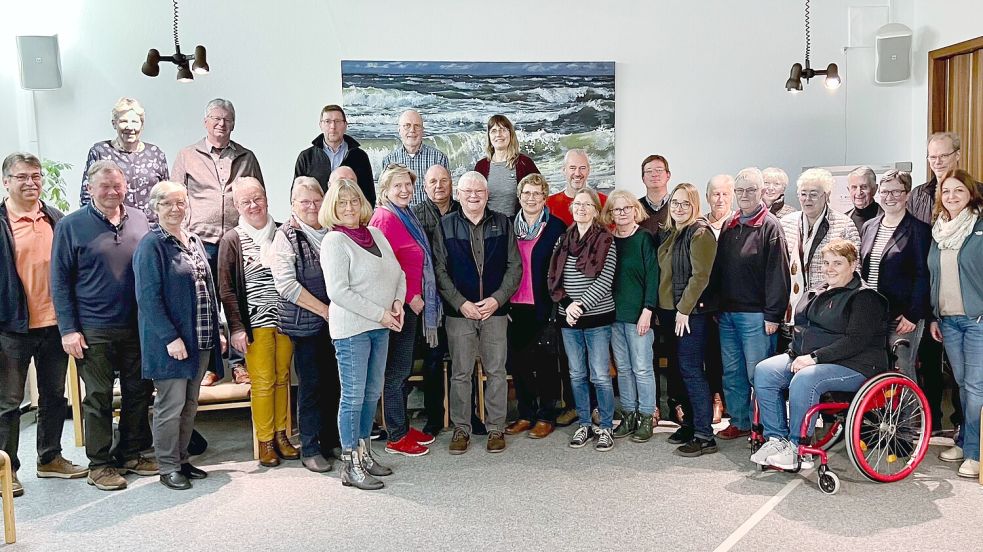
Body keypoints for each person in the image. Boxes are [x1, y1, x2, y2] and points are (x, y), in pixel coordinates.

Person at [50, 160, 155, 491]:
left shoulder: (139, 219)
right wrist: (68, 329)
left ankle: (132, 453)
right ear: (90, 189)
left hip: (136, 325)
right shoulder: (71, 225)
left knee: (139, 392)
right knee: (97, 397)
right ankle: (100, 464)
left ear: (125, 186)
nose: (112, 191)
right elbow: (59, 281)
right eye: (104, 186)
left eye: (117, 185)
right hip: (93, 328)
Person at [752, 239, 890, 469]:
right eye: (826, 263)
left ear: (853, 264)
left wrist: (813, 358)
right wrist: (794, 354)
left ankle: (799, 447)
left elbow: (855, 342)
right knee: (765, 371)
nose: (830, 269)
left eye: (837, 263)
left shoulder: (865, 298)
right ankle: (776, 440)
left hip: (857, 366)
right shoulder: (815, 294)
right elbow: (801, 332)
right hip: (813, 360)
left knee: (807, 379)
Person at [0, 153, 86, 498]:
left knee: (53, 396)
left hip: (54, 325)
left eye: (35, 176)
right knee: (8, 403)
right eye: (22, 177)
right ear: (7, 181)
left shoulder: (55, 218)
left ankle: (49, 458)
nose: (31, 182)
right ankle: (6, 469)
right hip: (12, 326)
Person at [133, 182, 223, 490]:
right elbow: (148, 298)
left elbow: (206, 290)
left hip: (200, 339)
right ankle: (168, 466)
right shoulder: (151, 245)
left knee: (189, 404)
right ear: (155, 208)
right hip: (171, 344)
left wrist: (217, 329)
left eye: (180, 203)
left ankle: (183, 459)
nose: (175, 209)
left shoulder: (194, 240)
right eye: (167, 204)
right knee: (170, 406)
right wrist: (170, 338)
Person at [320, 178, 406, 490]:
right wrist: (382, 313)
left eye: (354, 201)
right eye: (342, 203)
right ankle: (349, 465)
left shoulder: (376, 234)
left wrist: (397, 303)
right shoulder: (334, 242)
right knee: (353, 396)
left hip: (380, 327)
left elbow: (399, 273)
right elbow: (338, 292)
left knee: (372, 394)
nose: (349, 208)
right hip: (352, 330)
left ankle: (365, 453)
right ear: (333, 207)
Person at [172, 98, 263, 386]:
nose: (221, 123)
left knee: (239, 302)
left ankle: (239, 364)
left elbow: (259, 195)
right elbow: (177, 196)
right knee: (207, 305)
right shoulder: (187, 155)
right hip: (201, 242)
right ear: (205, 122)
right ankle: (212, 366)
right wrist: (182, 236)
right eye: (215, 118)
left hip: (237, 241)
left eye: (226, 119)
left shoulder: (246, 156)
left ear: (233, 123)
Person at [433, 172, 521, 455]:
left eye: (479, 191)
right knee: (460, 373)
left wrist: (497, 300)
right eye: (467, 191)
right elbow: (439, 271)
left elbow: (514, 267)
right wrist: (461, 303)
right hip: (460, 314)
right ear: (458, 194)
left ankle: (496, 428)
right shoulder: (444, 226)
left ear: (487, 195)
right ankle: (461, 428)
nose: (473, 196)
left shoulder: (503, 223)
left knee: (496, 371)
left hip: (495, 313)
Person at [218, 177, 297, 467]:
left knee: (282, 378)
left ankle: (282, 435)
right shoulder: (232, 239)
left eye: (258, 198)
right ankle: (265, 441)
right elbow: (226, 289)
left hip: (286, 321)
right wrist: (236, 327)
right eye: (246, 201)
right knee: (263, 382)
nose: (254, 205)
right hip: (255, 325)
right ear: (237, 206)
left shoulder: (282, 232)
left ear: (266, 198)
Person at [369, 165, 442, 457]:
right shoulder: (384, 218)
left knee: (402, 370)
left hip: (410, 305)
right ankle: (396, 436)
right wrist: (411, 296)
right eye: (397, 185)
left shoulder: (405, 214)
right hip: (399, 305)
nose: (404, 190)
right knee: (396, 372)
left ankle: (402, 426)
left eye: (408, 185)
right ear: (385, 190)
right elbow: (385, 268)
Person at [712, 167, 790, 440]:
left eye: (751, 190)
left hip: (757, 317)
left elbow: (778, 275)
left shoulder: (770, 226)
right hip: (728, 315)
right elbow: (719, 269)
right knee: (732, 374)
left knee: (760, 376)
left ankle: (769, 430)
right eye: (740, 190)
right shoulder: (730, 223)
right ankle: (742, 422)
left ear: (761, 193)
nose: (745, 195)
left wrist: (773, 316)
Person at [270, 177, 341, 473]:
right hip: (308, 323)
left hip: (336, 323)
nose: (311, 207)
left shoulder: (333, 230)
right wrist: (324, 310)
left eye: (316, 200)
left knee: (334, 383)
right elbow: (286, 285)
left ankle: (330, 440)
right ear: (293, 206)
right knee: (311, 385)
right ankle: (310, 447)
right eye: (304, 202)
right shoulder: (285, 236)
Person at [910, 132, 973, 438]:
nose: (937, 162)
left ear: (957, 155)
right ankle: (932, 423)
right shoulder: (918, 195)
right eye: (932, 157)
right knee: (930, 366)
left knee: (968, 377)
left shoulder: (975, 195)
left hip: (968, 302)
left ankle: (964, 426)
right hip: (931, 296)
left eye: (943, 156)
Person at [548, 188, 618, 451]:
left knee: (600, 375)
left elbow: (605, 281)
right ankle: (585, 424)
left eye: (587, 204)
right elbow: (553, 277)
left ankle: (606, 427)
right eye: (577, 204)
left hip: (597, 318)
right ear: (571, 208)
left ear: (596, 210)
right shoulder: (563, 239)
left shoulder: (605, 240)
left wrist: (581, 304)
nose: (581, 208)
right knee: (576, 374)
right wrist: (567, 305)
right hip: (570, 319)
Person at [927, 169, 983, 479]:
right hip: (948, 321)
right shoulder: (939, 231)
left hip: (977, 320)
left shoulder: (979, 226)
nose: (951, 196)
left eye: (958, 190)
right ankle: (964, 441)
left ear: (970, 193)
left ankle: (975, 452)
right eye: (946, 191)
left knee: (975, 388)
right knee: (963, 386)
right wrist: (936, 315)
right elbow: (936, 277)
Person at [656, 183, 719, 456]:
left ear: (695, 205)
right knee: (681, 372)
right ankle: (692, 423)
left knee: (693, 372)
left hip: (690, 314)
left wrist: (684, 310)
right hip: (671, 313)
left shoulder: (701, 233)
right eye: (675, 203)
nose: (679, 208)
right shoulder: (673, 233)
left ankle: (705, 435)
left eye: (685, 203)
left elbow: (700, 276)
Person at [504, 174, 566, 439]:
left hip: (544, 304)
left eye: (536, 194)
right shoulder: (508, 226)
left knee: (545, 364)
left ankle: (546, 415)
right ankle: (525, 414)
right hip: (514, 305)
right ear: (519, 197)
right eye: (526, 193)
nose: (531, 198)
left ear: (544, 197)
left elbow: (563, 269)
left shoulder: (556, 227)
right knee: (519, 363)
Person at [859, 170, 931, 380]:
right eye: (885, 191)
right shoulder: (869, 226)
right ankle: (883, 414)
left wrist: (913, 314)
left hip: (902, 316)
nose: (889, 197)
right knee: (873, 368)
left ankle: (911, 413)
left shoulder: (919, 230)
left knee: (902, 369)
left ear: (907, 195)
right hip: (871, 313)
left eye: (896, 192)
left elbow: (923, 275)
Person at [600, 190, 658, 443]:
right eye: (616, 209)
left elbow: (653, 277)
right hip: (613, 315)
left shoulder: (644, 238)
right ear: (610, 213)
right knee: (623, 369)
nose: (621, 213)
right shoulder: (607, 239)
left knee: (642, 368)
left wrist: (648, 310)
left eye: (626, 208)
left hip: (639, 316)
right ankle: (629, 415)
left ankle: (646, 416)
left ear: (635, 210)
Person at [413, 164, 461, 435]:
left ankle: (465, 416)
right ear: (425, 186)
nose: (439, 186)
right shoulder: (416, 215)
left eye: (444, 180)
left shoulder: (462, 210)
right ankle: (434, 417)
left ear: (451, 183)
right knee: (432, 360)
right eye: (433, 181)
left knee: (460, 360)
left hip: (458, 297)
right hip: (430, 303)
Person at [780, 168, 860, 320]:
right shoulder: (786, 224)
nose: (807, 199)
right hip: (789, 309)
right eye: (803, 194)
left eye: (814, 194)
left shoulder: (844, 225)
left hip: (828, 310)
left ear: (827, 195)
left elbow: (856, 270)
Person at [80, 97, 169, 221]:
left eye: (134, 122)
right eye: (123, 121)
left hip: (151, 229)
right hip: (111, 228)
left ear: (142, 125)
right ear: (114, 124)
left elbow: (165, 195)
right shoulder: (100, 151)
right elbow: (86, 195)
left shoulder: (156, 154)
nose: (129, 127)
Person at [294, 104, 375, 202]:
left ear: (345, 125)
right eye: (327, 121)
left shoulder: (360, 157)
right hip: (318, 215)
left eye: (337, 121)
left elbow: (369, 195)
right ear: (321, 125)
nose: (333, 126)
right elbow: (296, 195)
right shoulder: (306, 157)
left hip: (350, 214)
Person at [703, 174, 735, 422]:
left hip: (733, 304)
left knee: (732, 359)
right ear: (707, 197)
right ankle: (716, 398)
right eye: (715, 193)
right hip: (704, 304)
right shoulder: (699, 226)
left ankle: (733, 403)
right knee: (710, 353)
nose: (720, 198)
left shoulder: (739, 223)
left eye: (725, 193)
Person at [474, 114, 540, 217]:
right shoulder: (480, 166)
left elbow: (540, 193)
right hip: (487, 226)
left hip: (516, 226)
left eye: (503, 130)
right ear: (489, 136)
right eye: (494, 131)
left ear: (511, 134)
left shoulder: (524, 163)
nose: (498, 134)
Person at [381, 110, 449, 207]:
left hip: (432, 218)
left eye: (417, 126)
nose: (412, 130)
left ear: (423, 130)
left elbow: (446, 196)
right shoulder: (389, 161)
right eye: (407, 125)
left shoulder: (439, 158)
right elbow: (385, 197)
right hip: (401, 218)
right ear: (399, 130)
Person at [546, 149, 607, 227]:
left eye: (582, 168)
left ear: (589, 170)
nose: (577, 173)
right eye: (572, 168)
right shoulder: (549, 204)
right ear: (564, 170)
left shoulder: (604, 202)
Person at [638, 154, 672, 231]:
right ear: (643, 178)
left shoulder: (678, 206)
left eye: (659, 170)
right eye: (649, 171)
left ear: (668, 175)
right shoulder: (635, 207)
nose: (654, 174)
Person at [846, 166, 882, 231]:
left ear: (875, 189)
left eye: (864, 187)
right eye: (854, 187)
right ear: (849, 190)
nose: (859, 192)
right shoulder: (842, 221)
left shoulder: (888, 219)